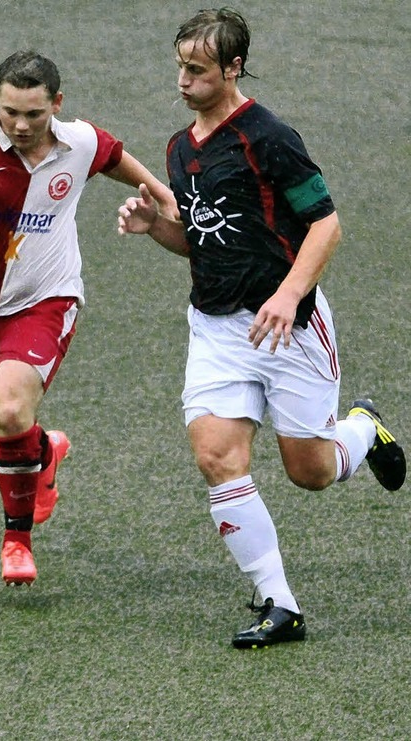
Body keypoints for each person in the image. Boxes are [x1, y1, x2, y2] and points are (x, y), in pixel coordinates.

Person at [118, 8, 406, 648]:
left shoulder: (269, 137)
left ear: (233, 67)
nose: (184, 80)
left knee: (311, 471)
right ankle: (281, 605)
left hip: (290, 329)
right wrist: (156, 228)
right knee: (217, 457)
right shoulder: (179, 148)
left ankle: (363, 429)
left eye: (198, 70)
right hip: (217, 329)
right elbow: (205, 241)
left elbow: (326, 225)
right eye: (181, 67)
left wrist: (287, 294)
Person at [0, 50, 176, 587]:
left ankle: (16, 542)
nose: (20, 126)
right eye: (8, 112)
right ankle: (45, 451)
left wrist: (161, 195)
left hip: (48, 298)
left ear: (56, 106)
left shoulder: (80, 142)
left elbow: (114, 158)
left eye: (33, 115)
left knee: (11, 411)